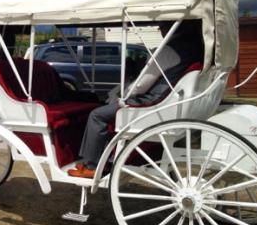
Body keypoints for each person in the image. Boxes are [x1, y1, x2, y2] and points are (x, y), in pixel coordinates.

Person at [68, 19, 205, 178]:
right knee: (105, 109)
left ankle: (92, 165)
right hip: (169, 99)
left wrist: (123, 96)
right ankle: (95, 159)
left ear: (172, 29)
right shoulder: (195, 49)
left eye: (162, 26)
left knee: (97, 115)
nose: (160, 30)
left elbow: (141, 85)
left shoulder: (169, 50)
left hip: (153, 101)